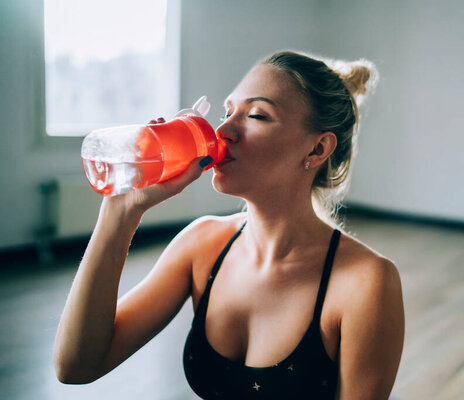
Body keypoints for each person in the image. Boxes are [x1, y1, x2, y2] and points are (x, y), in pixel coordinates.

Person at [53, 50, 405, 399]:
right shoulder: (201, 244)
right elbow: (77, 366)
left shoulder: (365, 282)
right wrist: (120, 213)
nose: (222, 131)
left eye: (256, 115)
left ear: (317, 150)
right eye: (227, 111)